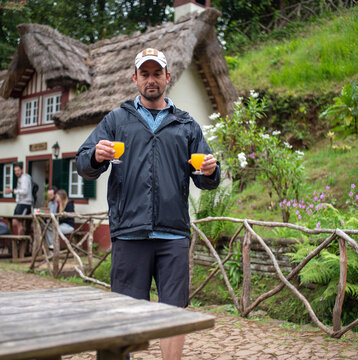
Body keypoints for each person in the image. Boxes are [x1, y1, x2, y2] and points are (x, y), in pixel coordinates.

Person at [76, 48, 220, 360]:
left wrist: (211, 169)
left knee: (174, 311)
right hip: (130, 232)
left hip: (173, 234)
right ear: (135, 78)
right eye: (145, 74)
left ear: (168, 77)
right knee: (124, 313)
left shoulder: (186, 125)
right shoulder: (116, 120)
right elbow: (82, 163)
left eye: (157, 73)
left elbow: (207, 178)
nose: (151, 80)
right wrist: (95, 155)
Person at [5, 163, 32, 235]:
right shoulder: (20, 179)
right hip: (20, 203)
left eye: (18, 170)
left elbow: (25, 191)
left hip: (25, 203)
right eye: (15, 171)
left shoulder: (24, 178)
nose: (16, 172)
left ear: (22, 170)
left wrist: (13, 191)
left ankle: (21, 240)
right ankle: (21, 237)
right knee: (14, 222)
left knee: (19, 222)